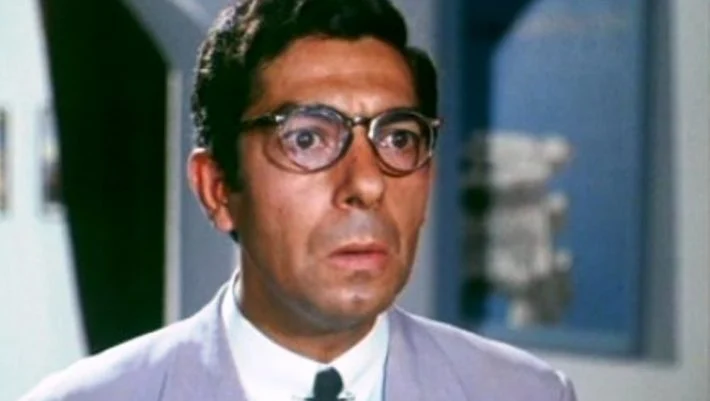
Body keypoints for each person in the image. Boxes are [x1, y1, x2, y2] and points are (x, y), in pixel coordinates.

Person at [21, 0, 576, 400]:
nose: (367, 184)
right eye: (307, 138)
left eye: (397, 138)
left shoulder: (526, 393)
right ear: (217, 188)